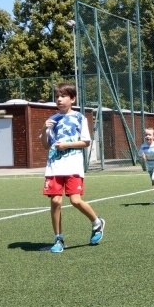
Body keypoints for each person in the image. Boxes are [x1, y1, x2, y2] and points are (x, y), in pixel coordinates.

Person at [40, 83, 105, 253]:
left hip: (73, 165)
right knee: (55, 201)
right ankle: (58, 239)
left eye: (63, 96)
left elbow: (86, 142)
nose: (59, 99)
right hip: (54, 166)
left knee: (75, 200)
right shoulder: (51, 120)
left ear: (72, 99)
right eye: (57, 97)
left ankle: (97, 222)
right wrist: (43, 130)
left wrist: (67, 145)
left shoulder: (79, 118)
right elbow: (46, 145)